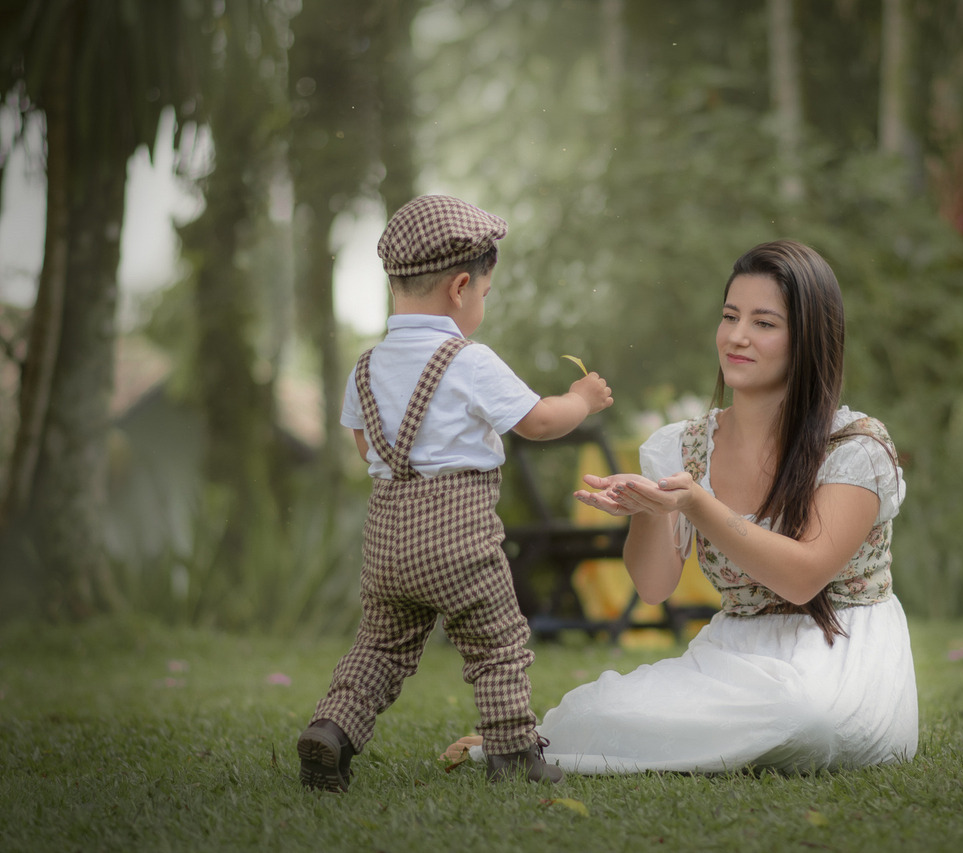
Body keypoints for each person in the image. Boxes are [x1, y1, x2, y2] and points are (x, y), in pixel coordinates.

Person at [444, 239, 916, 775]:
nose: (737, 336)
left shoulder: (855, 447)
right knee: (599, 711)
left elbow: (803, 578)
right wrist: (648, 509)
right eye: (730, 316)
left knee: (809, 721)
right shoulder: (684, 446)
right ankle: (525, 741)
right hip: (735, 653)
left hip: (843, 651)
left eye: (764, 323)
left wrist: (696, 503)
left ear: (808, 339)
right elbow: (652, 587)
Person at [298, 195, 613, 791]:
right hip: (457, 540)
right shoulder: (468, 361)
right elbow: (539, 422)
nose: (483, 307)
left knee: (380, 648)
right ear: (460, 287)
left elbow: (367, 450)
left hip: (388, 543)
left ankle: (331, 731)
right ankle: (514, 755)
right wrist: (583, 398)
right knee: (498, 643)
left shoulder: (366, 367)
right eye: (485, 296)